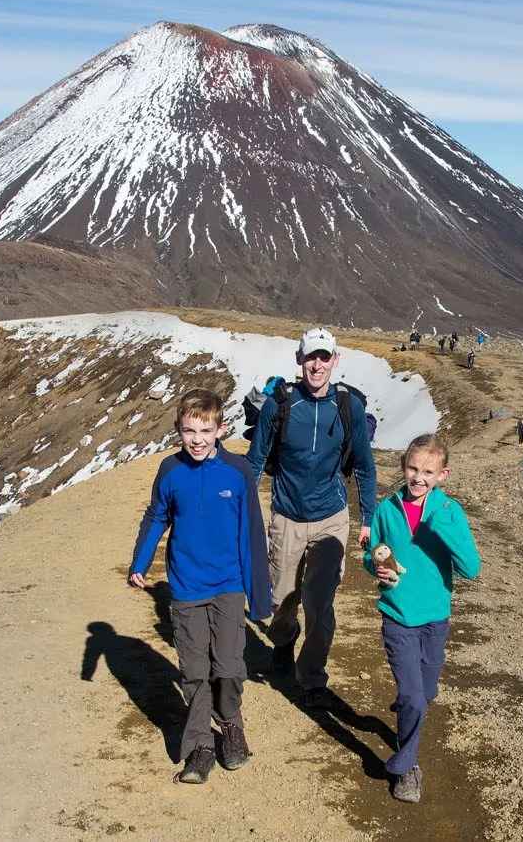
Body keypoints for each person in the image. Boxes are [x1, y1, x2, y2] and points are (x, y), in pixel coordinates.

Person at [129, 389, 270, 784]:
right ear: (177, 429)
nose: (196, 439)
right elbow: (156, 517)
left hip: (228, 584)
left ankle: (231, 724)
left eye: (204, 430)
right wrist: (140, 561)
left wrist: (258, 595)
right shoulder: (170, 470)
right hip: (187, 586)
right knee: (193, 670)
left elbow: (251, 534)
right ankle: (199, 748)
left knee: (227, 666)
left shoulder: (238, 471)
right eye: (188, 430)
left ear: (220, 429)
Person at [247, 327, 378, 709]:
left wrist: (368, 519)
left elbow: (366, 468)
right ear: (299, 360)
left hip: (331, 518)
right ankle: (284, 640)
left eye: (324, 357)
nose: (317, 365)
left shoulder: (348, 406)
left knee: (320, 603)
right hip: (287, 516)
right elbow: (256, 460)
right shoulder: (279, 404)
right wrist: (243, 510)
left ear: (335, 361)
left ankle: (313, 678)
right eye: (310, 357)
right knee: (280, 600)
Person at [363, 434, 480, 803]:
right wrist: (377, 568)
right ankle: (406, 768)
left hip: (435, 619)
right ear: (403, 467)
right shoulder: (386, 508)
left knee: (425, 694)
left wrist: (439, 526)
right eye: (413, 468)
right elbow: (375, 553)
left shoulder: (449, 513)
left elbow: (470, 569)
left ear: (443, 475)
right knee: (415, 697)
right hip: (397, 615)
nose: (418, 477)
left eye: (428, 471)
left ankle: (409, 704)